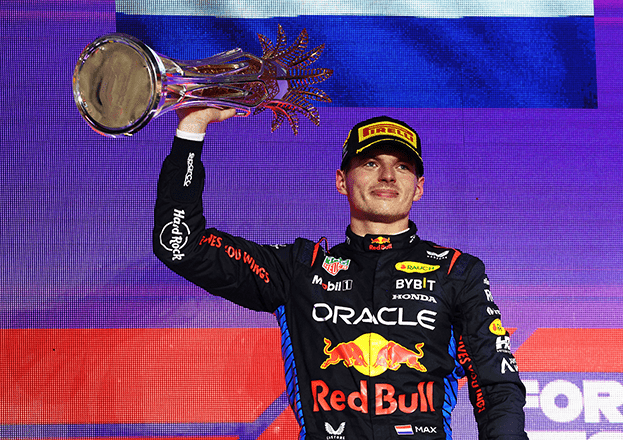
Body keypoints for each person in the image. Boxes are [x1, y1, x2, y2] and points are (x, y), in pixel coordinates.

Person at [153, 107, 528, 440]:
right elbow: (180, 244)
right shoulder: (299, 269)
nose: (387, 175)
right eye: (370, 163)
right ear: (341, 180)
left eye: (402, 166)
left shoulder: (456, 271)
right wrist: (192, 128)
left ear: (418, 188)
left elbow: (495, 383)